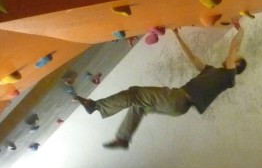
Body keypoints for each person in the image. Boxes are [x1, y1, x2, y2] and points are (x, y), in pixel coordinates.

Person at [75, 22, 247, 149]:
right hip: (178, 107)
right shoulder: (212, 71)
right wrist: (178, 36)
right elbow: (193, 58)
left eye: (235, 58)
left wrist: (241, 30)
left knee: (135, 93)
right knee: (139, 107)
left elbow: (233, 47)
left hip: (178, 98)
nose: (233, 57)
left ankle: (96, 106)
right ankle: (123, 138)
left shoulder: (229, 76)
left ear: (236, 66)